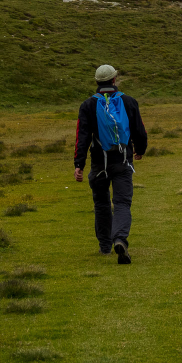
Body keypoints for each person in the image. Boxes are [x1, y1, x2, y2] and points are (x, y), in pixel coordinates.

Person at [74, 64, 148, 264]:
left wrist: (79, 164)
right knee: (122, 203)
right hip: (123, 161)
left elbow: (82, 137)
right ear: (114, 80)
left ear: (97, 82)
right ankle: (120, 239)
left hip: (99, 163)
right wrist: (140, 150)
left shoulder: (88, 105)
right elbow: (139, 130)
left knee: (101, 204)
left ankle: (105, 246)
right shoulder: (129, 102)